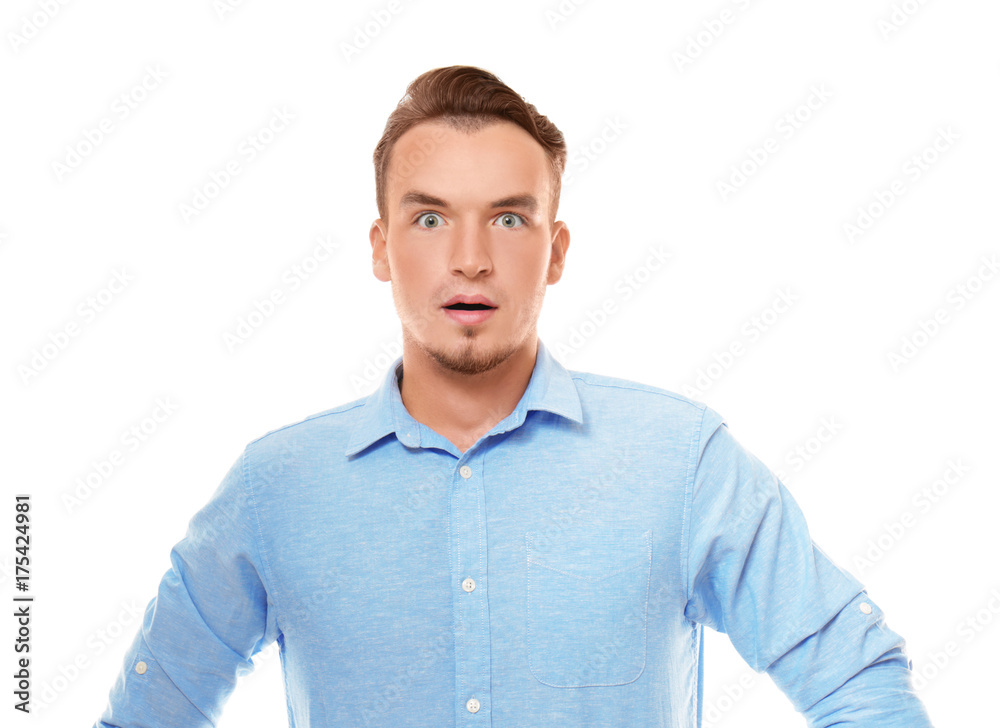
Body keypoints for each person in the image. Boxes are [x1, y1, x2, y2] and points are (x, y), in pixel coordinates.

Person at [95, 65, 935, 727]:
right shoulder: (275, 488)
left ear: (556, 249)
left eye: (508, 219)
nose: (469, 259)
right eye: (430, 220)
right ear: (382, 247)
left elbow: (858, 683)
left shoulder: (681, 464)